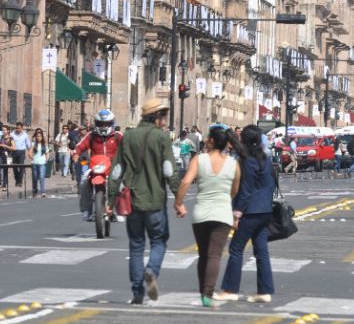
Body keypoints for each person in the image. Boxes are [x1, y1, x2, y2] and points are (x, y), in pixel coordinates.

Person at [107, 98, 180, 305]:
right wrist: (179, 198)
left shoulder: (128, 136)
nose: (165, 120)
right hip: (155, 200)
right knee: (159, 241)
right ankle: (152, 270)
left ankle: (137, 293)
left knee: (136, 246)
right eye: (163, 116)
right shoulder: (162, 138)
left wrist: (110, 200)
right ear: (155, 117)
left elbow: (116, 171)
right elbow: (169, 170)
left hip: (132, 200)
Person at [175, 125, 243, 307]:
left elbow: (186, 182)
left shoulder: (199, 159)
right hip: (222, 213)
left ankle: (202, 291)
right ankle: (208, 293)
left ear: (212, 141)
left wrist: (179, 203)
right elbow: (235, 189)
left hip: (201, 213)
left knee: (203, 254)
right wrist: (225, 199)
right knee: (215, 255)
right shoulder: (233, 163)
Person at [216, 125, 277, 304]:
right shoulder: (264, 159)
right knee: (261, 252)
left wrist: (237, 213)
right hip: (265, 210)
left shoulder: (248, 160)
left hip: (250, 211)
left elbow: (246, 189)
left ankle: (230, 289)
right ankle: (265, 291)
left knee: (235, 249)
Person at [73, 110, 123, 221]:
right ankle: (86, 210)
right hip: (96, 168)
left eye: (106, 124)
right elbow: (80, 146)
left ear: (111, 123)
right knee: (84, 182)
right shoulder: (91, 136)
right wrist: (76, 154)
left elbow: (128, 145)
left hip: (113, 168)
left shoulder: (117, 135)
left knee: (122, 184)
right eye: (101, 124)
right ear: (96, 124)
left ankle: (119, 210)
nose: (104, 126)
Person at [28, 130, 51, 198]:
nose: (38, 137)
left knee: (41, 177)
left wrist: (46, 160)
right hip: (35, 163)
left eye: (40, 136)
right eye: (37, 136)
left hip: (42, 164)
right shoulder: (33, 144)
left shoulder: (44, 145)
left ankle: (43, 192)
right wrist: (33, 158)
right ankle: (35, 191)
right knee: (35, 178)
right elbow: (29, 153)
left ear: (42, 137)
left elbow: (47, 153)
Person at [0, 125, 15, 191]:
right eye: (2, 130)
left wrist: (6, 146)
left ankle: (4, 185)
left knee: (5, 170)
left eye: (4, 130)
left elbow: (14, 148)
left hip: (7, 155)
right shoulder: (0, 137)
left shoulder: (11, 139)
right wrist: (0, 145)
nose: (3, 131)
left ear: (8, 131)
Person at [9, 122, 31, 187]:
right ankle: (17, 180)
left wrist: (30, 152)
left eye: (19, 128)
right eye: (16, 128)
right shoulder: (12, 134)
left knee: (21, 166)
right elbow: (9, 142)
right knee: (14, 167)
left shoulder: (25, 135)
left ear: (22, 128)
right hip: (14, 152)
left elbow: (28, 145)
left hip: (22, 152)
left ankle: (20, 181)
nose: (17, 129)